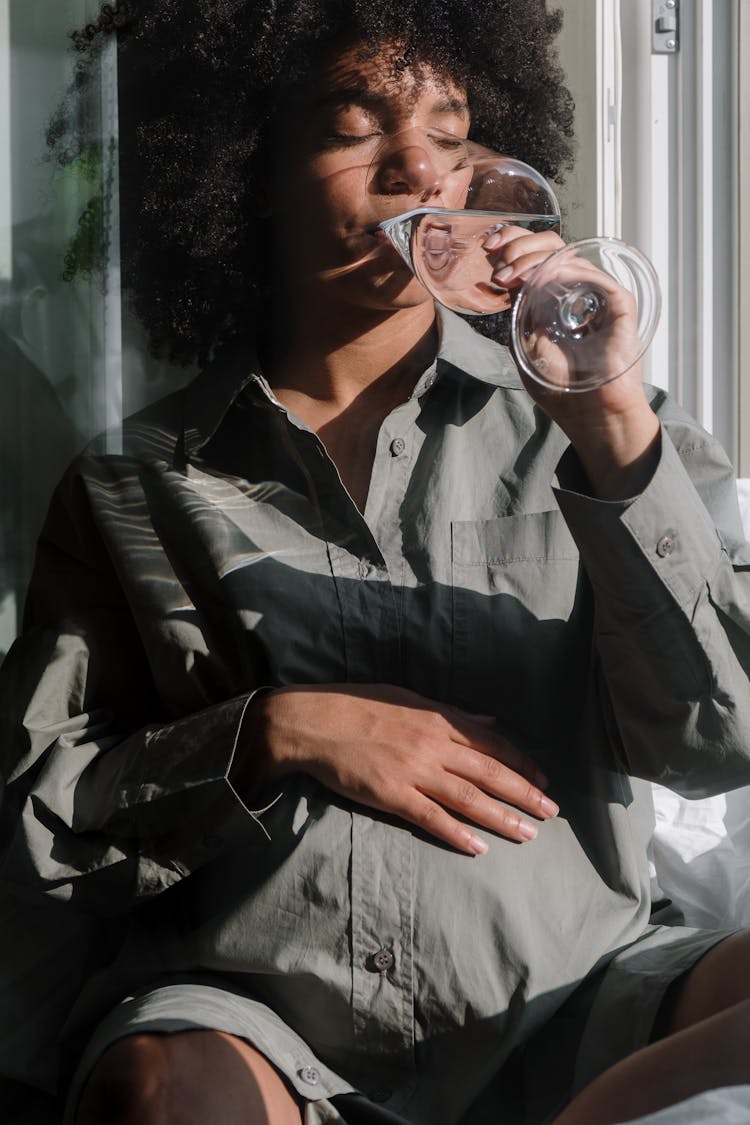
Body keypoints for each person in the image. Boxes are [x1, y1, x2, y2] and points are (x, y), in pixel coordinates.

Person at [2, 1, 750, 1123]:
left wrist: (606, 419)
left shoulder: (600, 426)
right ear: (248, 168)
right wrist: (275, 732)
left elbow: (722, 736)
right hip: (256, 1024)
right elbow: (36, 819)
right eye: (358, 127)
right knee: (157, 1090)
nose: (418, 171)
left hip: (579, 1000)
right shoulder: (141, 482)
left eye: (450, 133)